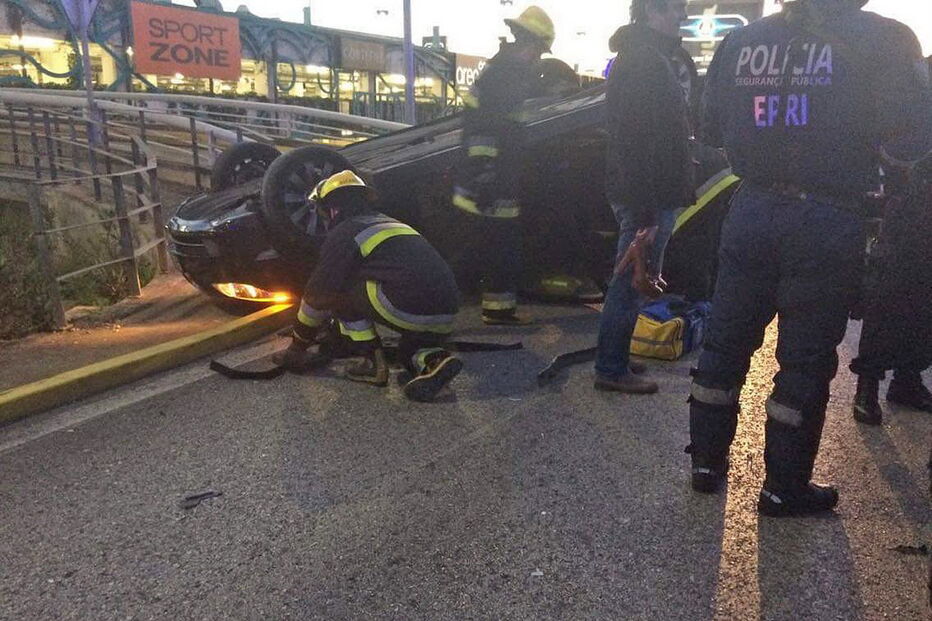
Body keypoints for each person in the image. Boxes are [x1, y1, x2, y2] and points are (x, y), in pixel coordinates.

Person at [688, 0, 932, 516]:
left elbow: (708, 128)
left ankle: (706, 465)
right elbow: (913, 138)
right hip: (828, 215)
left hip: (750, 208)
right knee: (803, 359)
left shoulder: (743, 41)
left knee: (725, 341)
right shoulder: (885, 38)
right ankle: (784, 488)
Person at [274, 170, 463, 403]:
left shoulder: (344, 232)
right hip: (447, 311)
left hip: (410, 307)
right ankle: (434, 360)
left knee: (336, 290)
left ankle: (371, 362)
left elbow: (317, 297)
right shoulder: (390, 222)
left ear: (331, 208)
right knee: (409, 351)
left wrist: (298, 346)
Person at [593, 0, 692, 394]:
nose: (681, 16)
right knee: (630, 281)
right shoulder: (644, 62)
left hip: (645, 191)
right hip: (644, 194)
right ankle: (611, 368)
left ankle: (614, 356)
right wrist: (648, 210)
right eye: (674, 9)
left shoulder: (645, 57)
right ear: (651, 11)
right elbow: (636, 141)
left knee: (635, 279)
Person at [452, 5, 554, 326]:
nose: (538, 58)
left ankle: (493, 308)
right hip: (491, 182)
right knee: (497, 249)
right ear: (529, 44)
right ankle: (494, 311)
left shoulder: (502, 72)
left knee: (488, 247)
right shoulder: (504, 77)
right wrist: (486, 176)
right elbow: (484, 131)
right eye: (538, 50)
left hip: (489, 179)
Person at [851, 148, 932, 424]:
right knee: (887, 293)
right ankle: (867, 385)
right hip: (903, 199)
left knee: (925, 296)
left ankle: (907, 378)